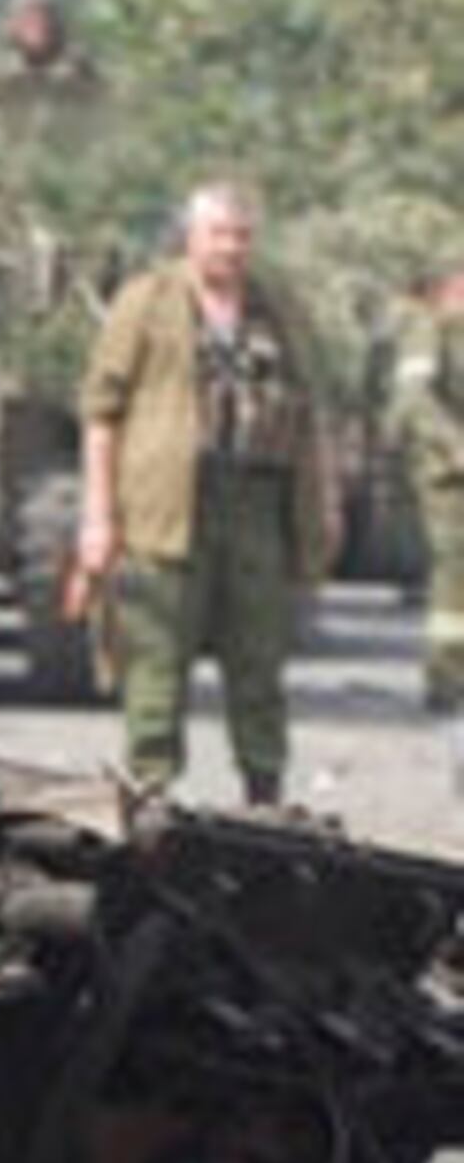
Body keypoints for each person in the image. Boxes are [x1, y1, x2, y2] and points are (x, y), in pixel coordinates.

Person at [76, 180, 336, 803]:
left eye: (242, 236)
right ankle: (151, 793)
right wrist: (98, 516)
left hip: (257, 504)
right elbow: (101, 412)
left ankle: (264, 794)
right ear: (191, 237)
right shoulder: (147, 301)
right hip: (164, 510)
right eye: (218, 234)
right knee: (157, 659)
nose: (231, 248)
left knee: (260, 660)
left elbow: (312, 413)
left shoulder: (276, 308)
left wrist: (322, 504)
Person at [394, 264, 464, 717]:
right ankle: (446, 675)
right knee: (455, 571)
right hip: (447, 476)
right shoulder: (429, 329)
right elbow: (415, 399)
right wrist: (455, 446)